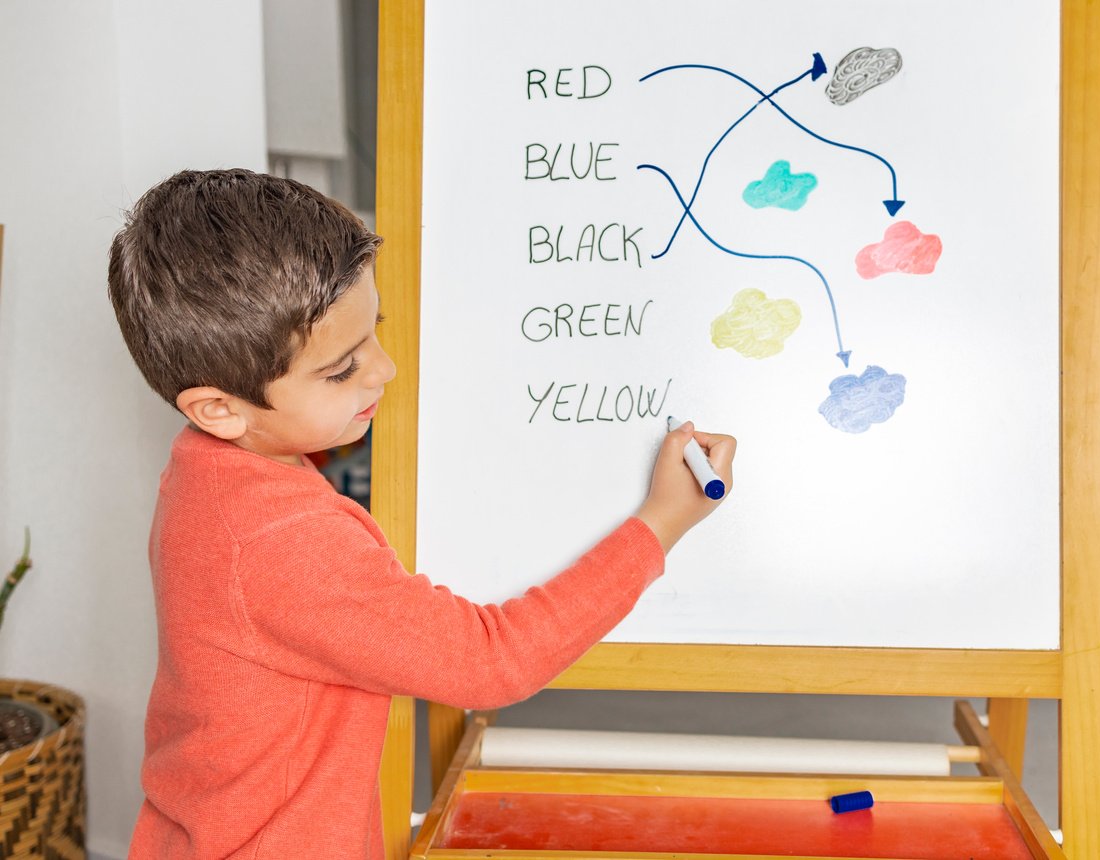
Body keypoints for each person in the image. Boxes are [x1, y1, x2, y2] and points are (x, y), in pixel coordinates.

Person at [107, 169, 735, 858]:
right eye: (341, 369)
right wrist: (660, 524)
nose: (384, 370)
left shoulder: (207, 472)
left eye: (372, 331)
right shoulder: (283, 541)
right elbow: (492, 662)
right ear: (219, 409)